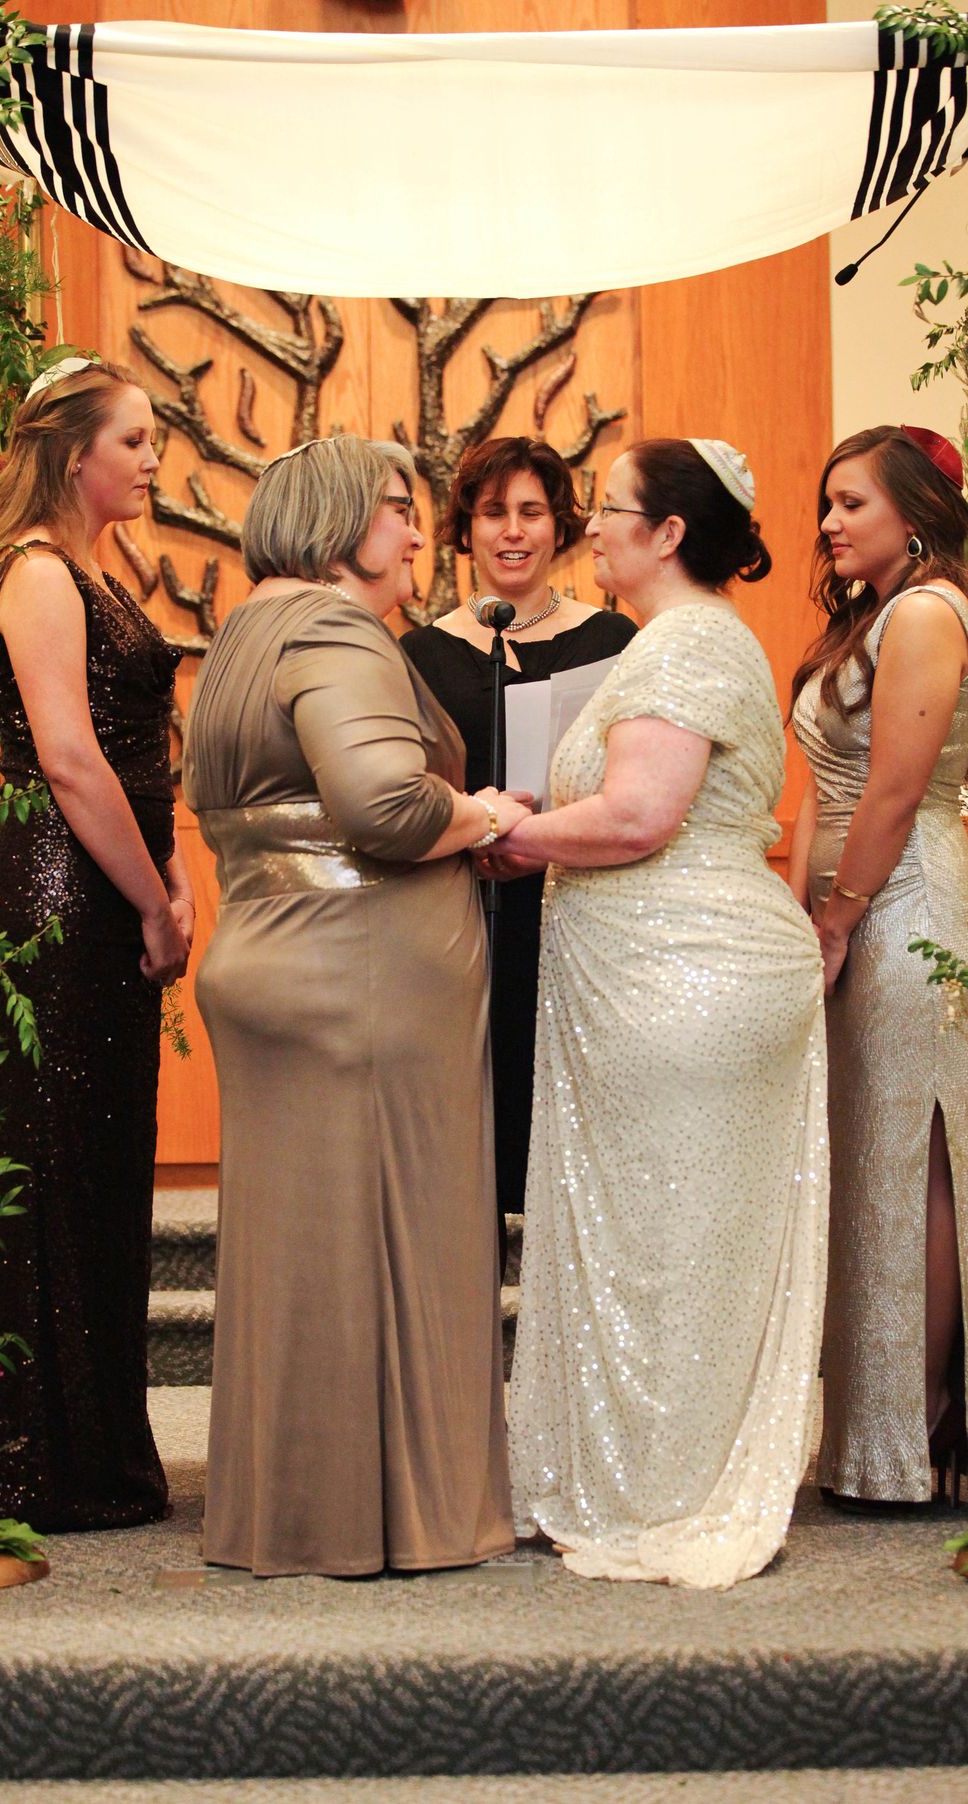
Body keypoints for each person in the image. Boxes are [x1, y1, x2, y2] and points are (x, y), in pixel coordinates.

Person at [182, 434, 524, 1577]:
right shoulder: (333, 629)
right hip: (364, 969)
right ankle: (401, 1517)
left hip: (270, 956)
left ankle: (295, 1512)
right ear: (332, 519)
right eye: (395, 507)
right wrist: (478, 813)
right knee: (399, 1245)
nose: (419, 531)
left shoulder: (240, 637)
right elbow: (380, 801)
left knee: (301, 1258)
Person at [498, 438, 828, 1588]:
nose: (590, 526)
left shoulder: (690, 641)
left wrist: (508, 835)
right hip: (656, 980)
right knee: (665, 1233)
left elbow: (640, 816)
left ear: (670, 533)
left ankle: (672, 1484)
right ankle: (644, 1464)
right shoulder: (670, 645)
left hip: (685, 975)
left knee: (675, 1239)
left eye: (609, 509)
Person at [0, 356, 192, 1532]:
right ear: (74, 454)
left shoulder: (108, 570)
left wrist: (180, 873)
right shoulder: (39, 574)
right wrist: (154, 900)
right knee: (57, 1159)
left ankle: (101, 1446)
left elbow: (151, 741)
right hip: (61, 892)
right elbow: (67, 757)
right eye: (138, 439)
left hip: (111, 883)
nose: (154, 459)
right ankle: (48, 1459)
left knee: (104, 1163)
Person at [789, 423, 968, 1507]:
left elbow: (889, 790)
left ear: (916, 512)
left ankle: (916, 1430)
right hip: (853, 908)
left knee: (914, 1163)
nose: (830, 523)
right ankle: (874, 1434)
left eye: (852, 503)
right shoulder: (868, 618)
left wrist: (837, 916)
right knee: (865, 1164)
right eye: (827, 503)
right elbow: (820, 792)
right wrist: (799, 914)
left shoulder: (925, 614)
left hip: (909, 908)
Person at [402, 438, 636, 1269]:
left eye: (531, 512)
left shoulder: (610, 636)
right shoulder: (421, 652)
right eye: (493, 512)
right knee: (470, 1104)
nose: (512, 531)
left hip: (579, 904)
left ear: (560, 526)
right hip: (463, 905)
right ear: (465, 527)